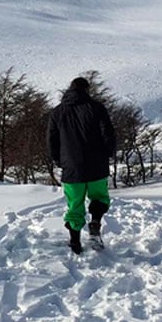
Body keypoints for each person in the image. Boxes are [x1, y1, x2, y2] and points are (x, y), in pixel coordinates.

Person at [47, 76, 116, 254]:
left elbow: (51, 140)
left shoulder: (57, 112)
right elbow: (108, 133)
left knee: (75, 204)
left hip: (72, 168)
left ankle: (75, 241)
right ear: (87, 89)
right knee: (100, 198)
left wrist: (59, 160)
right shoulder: (97, 108)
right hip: (97, 166)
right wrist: (109, 153)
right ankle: (95, 222)